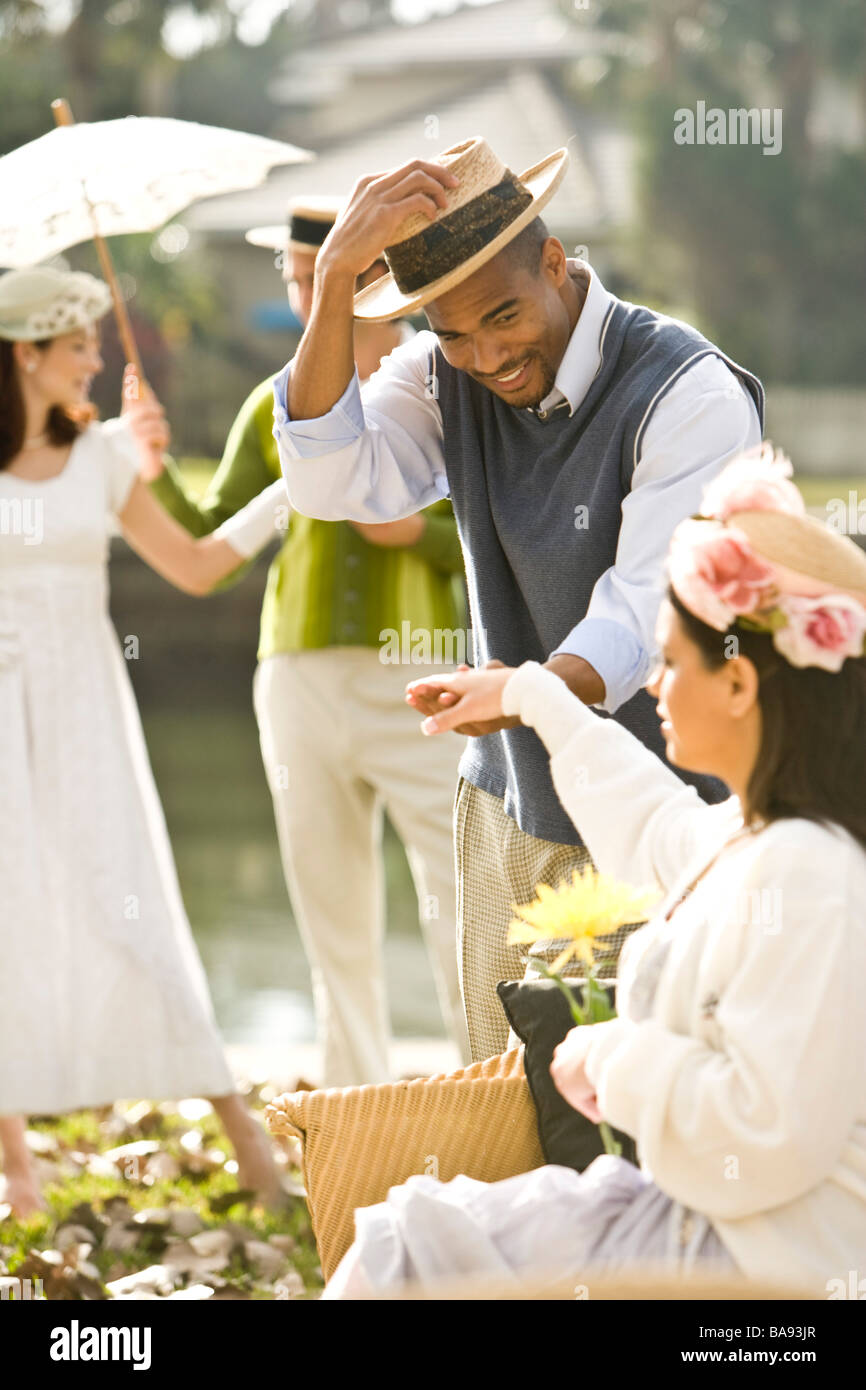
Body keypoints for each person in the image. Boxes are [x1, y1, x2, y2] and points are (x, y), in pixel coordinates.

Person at [322, 447, 866, 1298]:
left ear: (737, 684)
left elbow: (766, 1137)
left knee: (407, 1253)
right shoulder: (758, 837)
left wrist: (614, 1059)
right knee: (412, 1240)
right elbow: (654, 830)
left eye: (671, 662)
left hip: (762, 1262)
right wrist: (532, 698)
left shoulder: (809, 868)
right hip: (716, 1226)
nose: (651, 686)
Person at [273, 136, 765, 1063]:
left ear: (554, 261)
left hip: (672, 808)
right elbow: (328, 484)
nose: (486, 354)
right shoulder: (439, 373)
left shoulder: (687, 389)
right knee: (509, 1104)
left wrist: (527, 696)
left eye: (502, 315)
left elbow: (645, 612)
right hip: (511, 801)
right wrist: (336, 275)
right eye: (451, 331)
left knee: (652, 1109)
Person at [141, 198, 471, 1085]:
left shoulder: (448, 385)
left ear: (380, 277)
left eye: (317, 272)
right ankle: (357, 1115)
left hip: (425, 678)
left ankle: (492, 1096)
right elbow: (211, 546)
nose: (301, 290)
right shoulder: (273, 403)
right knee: (331, 915)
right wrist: (155, 468)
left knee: (461, 897)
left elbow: (504, 528)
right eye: (296, 275)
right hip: (295, 679)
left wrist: (423, 537)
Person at [0, 266, 288, 1218]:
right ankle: (17, 1173)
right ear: (26, 355)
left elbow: (198, 567)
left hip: (85, 705)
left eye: (94, 339)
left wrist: (291, 497)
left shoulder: (107, 457)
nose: (95, 357)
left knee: (129, 899)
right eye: (76, 343)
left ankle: (246, 1140)